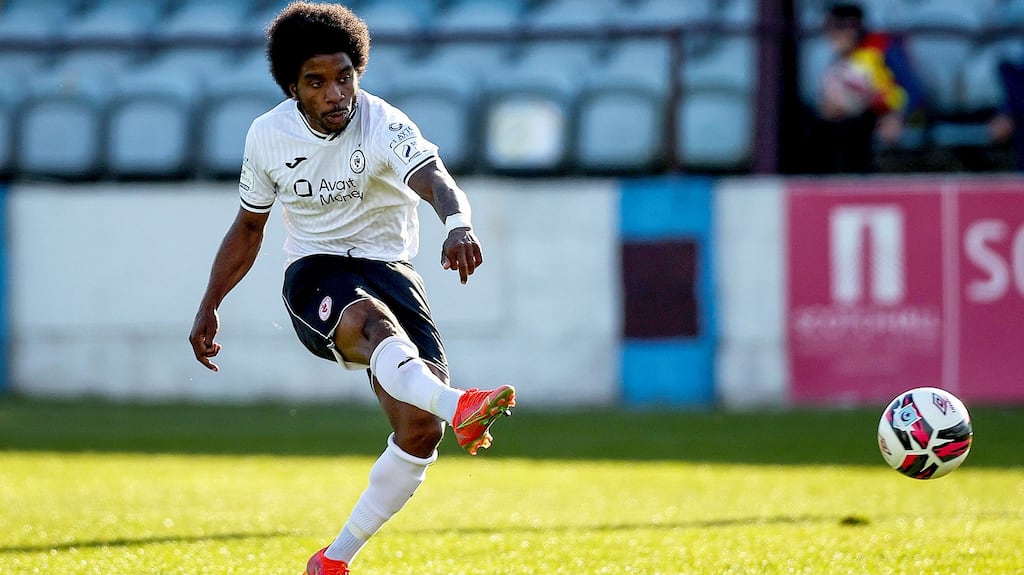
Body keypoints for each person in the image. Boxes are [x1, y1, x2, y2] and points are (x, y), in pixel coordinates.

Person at [187, 3, 516, 574]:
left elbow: (435, 179)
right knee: (373, 324)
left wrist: (458, 223)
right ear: (293, 88)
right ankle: (462, 403)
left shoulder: (384, 122)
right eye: (317, 82)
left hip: (391, 269)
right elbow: (248, 226)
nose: (336, 93)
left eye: (345, 77)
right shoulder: (267, 136)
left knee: (420, 430)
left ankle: (333, 560)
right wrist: (210, 302)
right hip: (316, 269)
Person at [805, 2, 926, 173]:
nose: (831, 36)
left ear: (852, 28)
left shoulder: (881, 47)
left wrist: (898, 117)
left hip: (886, 119)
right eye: (828, 29)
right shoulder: (837, 60)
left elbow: (914, 89)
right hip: (853, 123)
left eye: (836, 29)